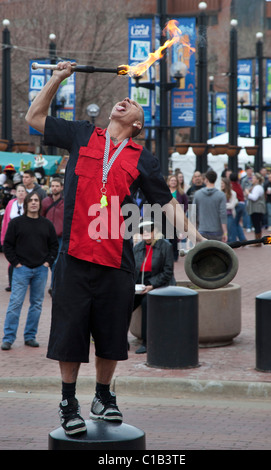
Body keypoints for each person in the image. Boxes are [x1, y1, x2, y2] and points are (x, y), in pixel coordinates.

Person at [25, 60, 205, 436]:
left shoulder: (143, 159)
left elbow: (166, 201)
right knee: (69, 335)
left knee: (111, 336)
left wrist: (194, 234)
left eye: (133, 103)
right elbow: (35, 116)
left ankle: (103, 396)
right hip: (73, 257)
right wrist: (58, 77)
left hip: (116, 260)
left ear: (137, 124)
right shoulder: (82, 134)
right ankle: (69, 402)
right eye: (122, 99)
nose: (124, 99)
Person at [1, 192, 58, 351]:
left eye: (36, 201)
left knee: (36, 305)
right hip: (21, 270)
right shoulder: (16, 223)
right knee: (15, 304)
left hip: (40, 270)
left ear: (40, 204)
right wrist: (16, 263)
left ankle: (30, 336)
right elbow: (8, 245)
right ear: (26, 203)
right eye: (31, 200)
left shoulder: (46, 224)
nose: (34, 203)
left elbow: (54, 245)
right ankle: (8, 338)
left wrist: (48, 262)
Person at [133, 218, 175, 354]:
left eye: (148, 230)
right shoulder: (137, 248)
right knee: (123, 304)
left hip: (159, 285)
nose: (145, 233)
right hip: (140, 286)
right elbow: (133, 270)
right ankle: (120, 340)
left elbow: (168, 272)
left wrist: (151, 285)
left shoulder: (165, 246)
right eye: (142, 230)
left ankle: (147, 342)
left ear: (155, 231)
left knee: (147, 303)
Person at [1, 184, 27, 291]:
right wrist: (3, 237)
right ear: (15, 193)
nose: (21, 193)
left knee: (24, 259)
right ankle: (11, 283)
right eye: (19, 191)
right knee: (12, 259)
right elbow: (5, 221)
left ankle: (23, 282)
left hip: (25, 237)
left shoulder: (28, 204)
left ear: (26, 193)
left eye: (22, 191)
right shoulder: (11, 204)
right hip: (12, 235)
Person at [41, 177, 64, 294]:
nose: (54, 188)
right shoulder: (45, 202)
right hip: (46, 237)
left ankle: (53, 286)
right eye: (53, 186)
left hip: (60, 237)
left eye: (56, 186)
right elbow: (41, 217)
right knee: (44, 261)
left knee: (56, 262)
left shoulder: (65, 202)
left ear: (61, 187)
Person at [193, 169, 227, 242]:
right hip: (216, 230)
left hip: (202, 229)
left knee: (203, 252)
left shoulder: (197, 194)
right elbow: (223, 214)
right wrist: (225, 232)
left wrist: (193, 231)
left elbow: (193, 213)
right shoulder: (221, 195)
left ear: (206, 179)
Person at [167, 174, 188, 260]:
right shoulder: (165, 191)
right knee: (167, 236)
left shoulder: (181, 193)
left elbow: (186, 204)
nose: (173, 182)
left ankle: (175, 255)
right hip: (166, 216)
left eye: (175, 181)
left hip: (177, 217)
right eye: (171, 180)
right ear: (168, 182)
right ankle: (167, 255)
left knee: (175, 237)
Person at [244, 173, 266, 245]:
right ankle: (258, 240)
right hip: (257, 208)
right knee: (257, 224)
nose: (252, 179)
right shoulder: (256, 187)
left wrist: (247, 193)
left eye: (253, 178)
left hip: (257, 208)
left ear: (257, 180)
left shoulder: (257, 187)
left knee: (256, 224)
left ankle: (257, 241)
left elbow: (254, 197)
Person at [229, 173, 246, 243]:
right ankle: (242, 238)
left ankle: (233, 240)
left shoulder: (231, 186)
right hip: (242, 204)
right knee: (236, 223)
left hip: (237, 205)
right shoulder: (238, 185)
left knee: (233, 223)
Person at [221, 177, 238, 243]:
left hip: (229, 215)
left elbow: (232, 205)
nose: (221, 185)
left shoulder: (233, 193)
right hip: (221, 216)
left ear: (226, 184)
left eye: (222, 183)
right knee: (223, 232)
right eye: (220, 183)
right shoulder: (219, 193)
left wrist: (221, 206)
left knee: (229, 231)